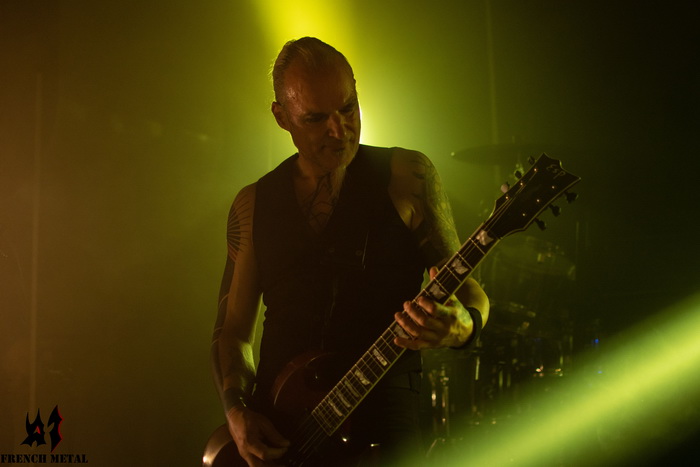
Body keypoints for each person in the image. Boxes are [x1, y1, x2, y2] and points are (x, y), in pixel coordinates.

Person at [211, 37, 489, 466]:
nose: (339, 130)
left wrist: (461, 328)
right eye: (316, 118)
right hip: (283, 432)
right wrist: (236, 411)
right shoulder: (253, 204)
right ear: (282, 117)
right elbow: (233, 332)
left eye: (348, 108)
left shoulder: (408, 176)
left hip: (383, 423)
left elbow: (471, 293)